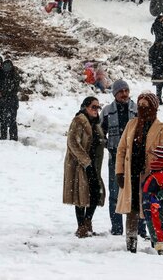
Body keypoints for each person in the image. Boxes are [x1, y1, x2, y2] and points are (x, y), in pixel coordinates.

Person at [116, 93, 163, 253]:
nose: (142, 108)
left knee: (152, 211)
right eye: (140, 105)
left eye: (146, 105)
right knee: (131, 209)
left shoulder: (161, 128)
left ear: (153, 107)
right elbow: (121, 149)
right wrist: (120, 172)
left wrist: (160, 176)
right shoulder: (131, 124)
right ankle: (131, 243)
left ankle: (158, 243)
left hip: (150, 177)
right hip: (131, 174)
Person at [101, 80, 142, 236]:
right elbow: (100, 133)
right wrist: (110, 146)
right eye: (121, 91)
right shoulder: (107, 111)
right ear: (115, 94)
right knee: (115, 193)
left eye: (126, 90)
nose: (124, 94)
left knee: (138, 193)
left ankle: (140, 229)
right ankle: (117, 228)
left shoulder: (137, 109)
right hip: (115, 159)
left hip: (136, 159)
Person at [63, 96, 106, 238]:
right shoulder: (79, 121)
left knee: (95, 192)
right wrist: (85, 161)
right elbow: (73, 142)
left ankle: (88, 222)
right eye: (93, 107)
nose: (96, 110)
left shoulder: (96, 123)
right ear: (85, 107)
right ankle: (81, 226)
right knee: (81, 194)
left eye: (98, 107)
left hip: (94, 163)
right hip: (80, 164)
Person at [142, 146, 163, 256]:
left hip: (154, 206)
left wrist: (156, 197)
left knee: (157, 226)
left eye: (155, 159)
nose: (152, 161)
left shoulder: (161, 175)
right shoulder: (154, 173)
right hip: (148, 205)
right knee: (151, 226)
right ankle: (155, 245)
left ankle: (162, 248)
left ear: (161, 161)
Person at [1, 59, 22, 141]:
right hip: (4, 101)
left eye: (8, 66)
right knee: (4, 120)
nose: (6, 68)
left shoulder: (15, 75)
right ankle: (3, 136)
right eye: (5, 66)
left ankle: (13, 138)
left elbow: (13, 89)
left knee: (12, 120)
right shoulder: (2, 75)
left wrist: (3, 92)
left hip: (12, 101)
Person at [149, 41, 163, 105]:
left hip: (156, 70)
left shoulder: (152, 49)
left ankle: (159, 100)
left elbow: (151, 60)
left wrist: (155, 65)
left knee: (159, 86)